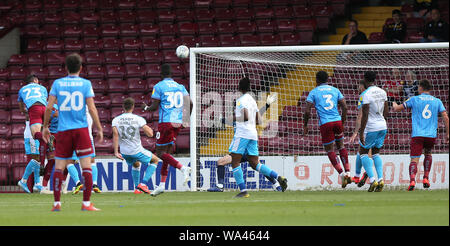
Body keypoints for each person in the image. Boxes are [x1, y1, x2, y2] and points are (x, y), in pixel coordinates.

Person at [42, 53, 103, 212]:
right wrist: (99, 127)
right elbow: (91, 108)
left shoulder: (57, 83)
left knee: (59, 167)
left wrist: (45, 126)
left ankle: (56, 204)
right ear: (81, 68)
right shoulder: (86, 83)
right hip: (81, 129)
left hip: (63, 130)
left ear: (66, 68)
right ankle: (86, 204)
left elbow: (49, 108)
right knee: (86, 167)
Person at [207, 94, 283, 192]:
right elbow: (225, 120)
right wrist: (218, 118)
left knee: (258, 166)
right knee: (221, 162)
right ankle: (220, 186)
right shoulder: (236, 119)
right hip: (240, 150)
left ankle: (275, 183)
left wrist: (267, 106)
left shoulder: (247, 120)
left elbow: (258, 114)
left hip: (247, 149)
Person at [227, 77, 287, 198]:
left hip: (242, 134)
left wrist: (232, 118)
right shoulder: (253, 101)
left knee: (235, 161)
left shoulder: (240, 101)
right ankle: (278, 177)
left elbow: (244, 116)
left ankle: (243, 191)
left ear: (239, 88)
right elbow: (259, 120)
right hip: (253, 134)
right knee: (255, 164)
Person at [142, 64, 192, 197]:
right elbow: (190, 103)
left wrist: (146, 108)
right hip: (178, 123)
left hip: (166, 123)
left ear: (161, 74)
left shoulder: (159, 86)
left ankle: (183, 168)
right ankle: (162, 185)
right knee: (167, 155)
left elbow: (154, 107)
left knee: (159, 153)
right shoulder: (180, 86)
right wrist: (186, 119)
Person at [392, 79, 449, 191]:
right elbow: (446, 117)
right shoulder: (437, 101)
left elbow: (397, 109)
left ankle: (412, 181)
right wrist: (448, 134)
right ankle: (426, 178)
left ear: (421, 88)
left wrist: (394, 103)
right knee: (428, 153)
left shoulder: (414, 99)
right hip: (431, 135)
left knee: (414, 160)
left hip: (417, 135)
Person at [303, 71, 351, 188]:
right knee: (341, 146)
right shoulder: (335, 90)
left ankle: (341, 174)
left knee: (330, 150)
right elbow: (345, 107)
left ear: (316, 80)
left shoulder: (313, 92)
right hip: (337, 121)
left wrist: (305, 125)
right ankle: (348, 172)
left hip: (325, 123)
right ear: (327, 79)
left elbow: (307, 110)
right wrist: (342, 122)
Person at [113, 97, 161, 194]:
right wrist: (150, 130)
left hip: (124, 152)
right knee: (155, 160)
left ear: (123, 107)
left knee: (136, 164)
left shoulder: (116, 120)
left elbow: (115, 135)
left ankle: (136, 189)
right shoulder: (138, 119)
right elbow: (150, 134)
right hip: (136, 150)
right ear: (133, 107)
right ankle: (143, 184)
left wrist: (116, 152)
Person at [358, 71, 389, 192]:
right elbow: (386, 110)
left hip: (371, 127)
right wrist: (382, 121)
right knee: (376, 153)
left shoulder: (366, 94)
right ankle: (381, 179)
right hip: (382, 125)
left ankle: (372, 180)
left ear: (365, 80)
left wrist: (361, 132)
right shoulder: (383, 92)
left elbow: (365, 115)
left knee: (363, 152)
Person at [17, 75, 48, 180]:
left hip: (34, 109)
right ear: (35, 81)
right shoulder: (42, 88)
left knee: (36, 135)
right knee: (46, 132)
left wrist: (24, 111)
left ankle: (48, 138)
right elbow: (45, 100)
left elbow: (21, 106)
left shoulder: (22, 89)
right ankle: (52, 139)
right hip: (45, 108)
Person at [69, 110, 101, 195]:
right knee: (92, 161)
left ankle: (78, 183)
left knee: (69, 162)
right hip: (87, 137)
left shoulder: (71, 108)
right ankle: (94, 184)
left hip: (74, 138)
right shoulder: (88, 110)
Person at [17, 115, 42, 193]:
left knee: (38, 159)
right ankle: (24, 181)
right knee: (37, 158)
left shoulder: (33, 107)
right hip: (32, 135)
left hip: (32, 134)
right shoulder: (31, 108)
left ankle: (37, 184)